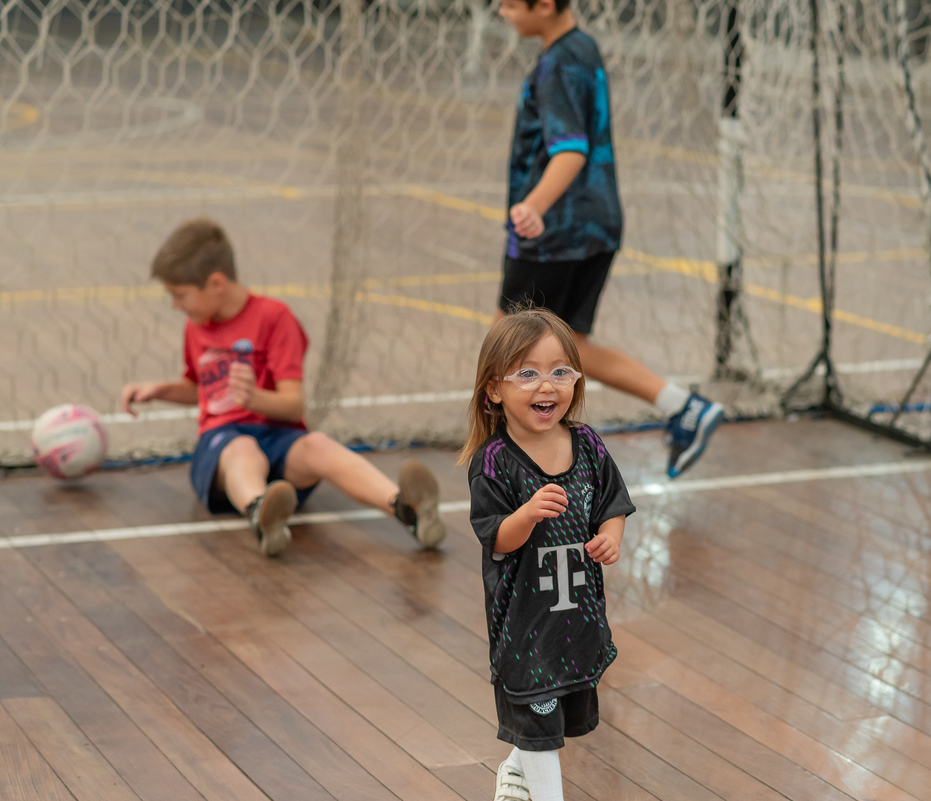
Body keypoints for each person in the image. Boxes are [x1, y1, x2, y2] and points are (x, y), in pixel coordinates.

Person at [120, 217, 446, 557]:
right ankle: (260, 511)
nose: (176, 305)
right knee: (243, 449)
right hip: (223, 447)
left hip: (278, 439)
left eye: (180, 295)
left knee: (318, 444)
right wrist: (160, 391)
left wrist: (253, 398)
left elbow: (293, 406)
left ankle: (406, 510)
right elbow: (198, 389)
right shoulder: (196, 326)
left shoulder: (274, 318)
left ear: (216, 283)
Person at [495, 0, 724, 479]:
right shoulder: (584, 47)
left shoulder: (558, 63)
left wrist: (533, 206)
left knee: (507, 346)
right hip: (597, 223)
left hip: (556, 232)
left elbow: (571, 150)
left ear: (545, 5)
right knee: (570, 345)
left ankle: (513, 466)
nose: (502, 11)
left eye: (512, 3)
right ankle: (681, 406)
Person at [461, 308, 635, 801]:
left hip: (577, 619)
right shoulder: (494, 462)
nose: (547, 385)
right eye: (527, 373)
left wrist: (611, 537)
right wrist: (527, 514)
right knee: (537, 713)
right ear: (494, 389)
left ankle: (515, 770)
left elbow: (612, 506)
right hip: (526, 627)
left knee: (555, 717)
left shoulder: (587, 445)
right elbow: (496, 539)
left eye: (561, 371)